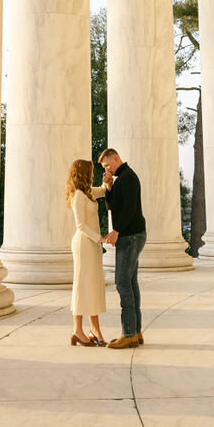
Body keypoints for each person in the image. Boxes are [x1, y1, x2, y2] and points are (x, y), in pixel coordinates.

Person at [99, 147, 146, 349]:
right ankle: (135, 333)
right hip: (131, 236)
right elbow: (113, 206)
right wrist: (108, 187)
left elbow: (129, 209)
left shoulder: (127, 177)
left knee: (122, 283)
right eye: (104, 167)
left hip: (130, 236)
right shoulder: (120, 179)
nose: (107, 169)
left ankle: (128, 334)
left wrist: (116, 230)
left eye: (108, 165)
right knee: (131, 283)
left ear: (116, 159)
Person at [65, 159, 108, 347]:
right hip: (84, 244)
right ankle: (77, 330)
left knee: (92, 285)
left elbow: (104, 190)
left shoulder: (88, 193)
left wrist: (107, 179)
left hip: (92, 245)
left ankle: (95, 328)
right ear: (83, 173)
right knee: (82, 286)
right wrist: (101, 238)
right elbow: (80, 225)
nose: (92, 174)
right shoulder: (78, 196)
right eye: (90, 171)